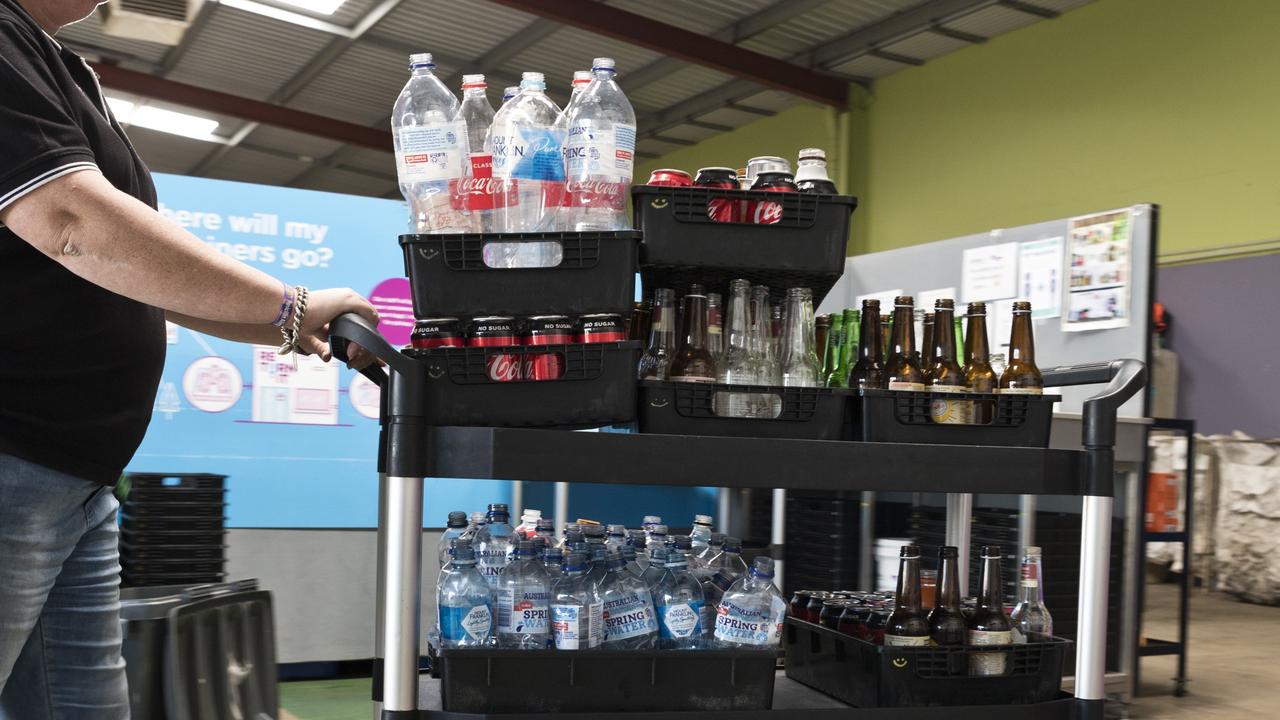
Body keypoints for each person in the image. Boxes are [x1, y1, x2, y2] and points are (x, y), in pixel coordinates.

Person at [0, 1, 379, 717]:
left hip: (75, 481)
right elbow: (70, 221)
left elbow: (133, 275)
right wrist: (286, 303)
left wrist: (287, 323)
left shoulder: (54, 63)